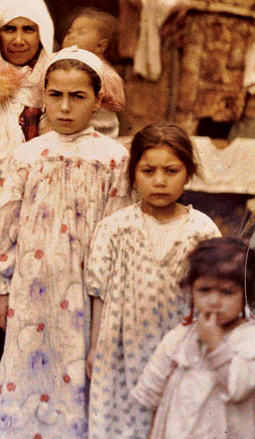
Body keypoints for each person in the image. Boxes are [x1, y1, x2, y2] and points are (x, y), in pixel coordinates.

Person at [0, 47, 129, 439]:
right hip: (31, 292)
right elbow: (7, 224)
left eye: (78, 96)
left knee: (80, 373)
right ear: (44, 96)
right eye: (56, 96)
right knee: (26, 371)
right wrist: (3, 286)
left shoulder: (113, 159)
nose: (65, 107)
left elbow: (116, 231)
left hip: (88, 295)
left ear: (98, 100)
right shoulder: (27, 156)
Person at [85, 122, 220, 439]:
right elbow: (99, 292)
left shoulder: (202, 230)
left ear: (188, 173)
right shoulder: (115, 228)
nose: (159, 181)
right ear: (133, 173)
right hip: (119, 349)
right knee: (122, 421)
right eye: (148, 171)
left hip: (183, 350)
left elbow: (216, 297)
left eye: (171, 171)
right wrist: (94, 348)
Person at [131, 237, 255, 439]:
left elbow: (239, 388)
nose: (214, 301)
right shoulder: (180, 336)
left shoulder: (250, 339)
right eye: (204, 290)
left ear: (246, 294)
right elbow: (152, 393)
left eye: (227, 292)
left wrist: (216, 345)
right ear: (191, 291)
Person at [0, 0, 55, 168]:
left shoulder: (58, 80)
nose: (18, 40)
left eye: (28, 30)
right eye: (9, 29)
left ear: (42, 34)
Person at [61, 8, 126, 137]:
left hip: (98, 130)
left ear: (100, 46)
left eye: (81, 32)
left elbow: (117, 103)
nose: (72, 36)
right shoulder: (59, 63)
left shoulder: (106, 74)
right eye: (69, 32)